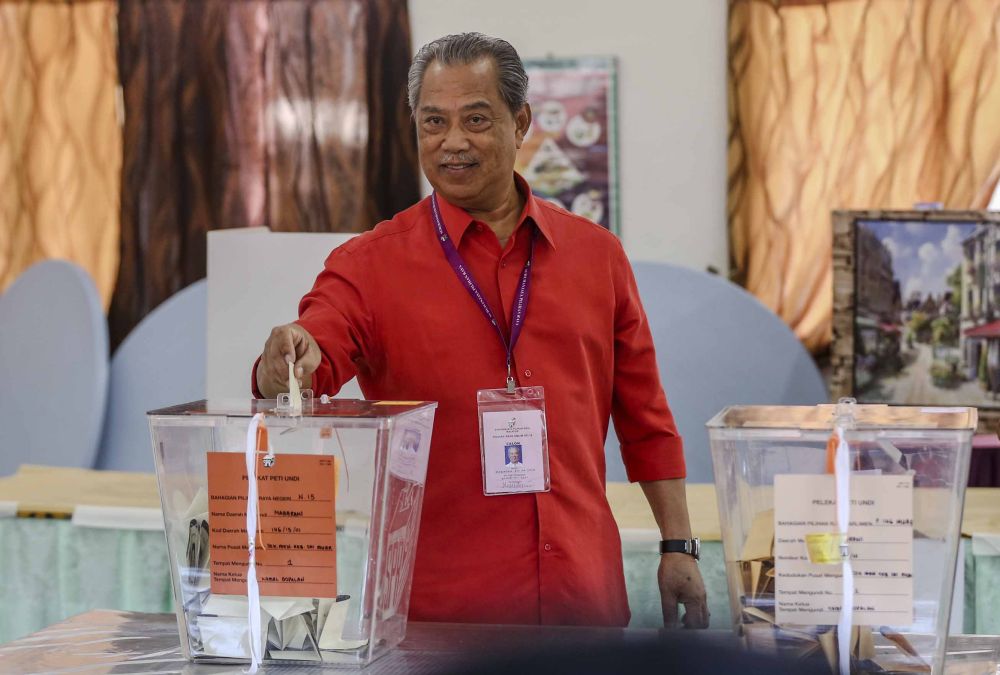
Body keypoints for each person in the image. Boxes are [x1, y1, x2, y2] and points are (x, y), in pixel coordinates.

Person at [254, 32, 708, 629]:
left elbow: (646, 417)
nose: (453, 143)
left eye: (476, 119)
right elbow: (305, 360)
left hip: (583, 603)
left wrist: (678, 546)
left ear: (520, 122)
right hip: (439, 616)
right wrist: (287, 357)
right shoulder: (368, 265)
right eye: (434, 122)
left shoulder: (597, 256)